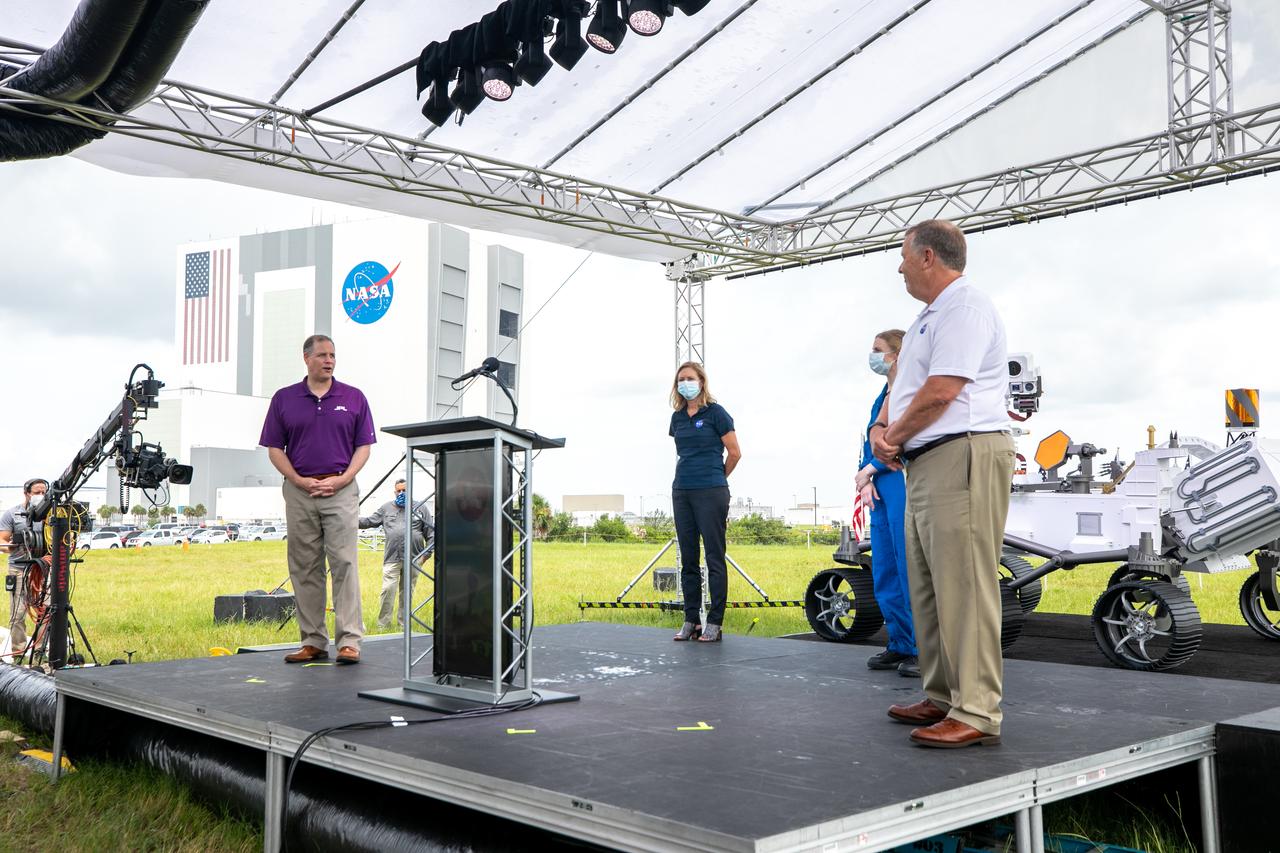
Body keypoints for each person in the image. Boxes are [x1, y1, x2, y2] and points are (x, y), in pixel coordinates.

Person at [871, 219, 1014, 749]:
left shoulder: (965, 307)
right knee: (930, 584)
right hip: (926, 459)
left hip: (963, 452)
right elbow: (904, 389)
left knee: (965, 585)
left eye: (904, 256)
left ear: (928, 256)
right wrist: (881, 429)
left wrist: (893, 436)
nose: (900, 267)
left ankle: (976, 710)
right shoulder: (930, 316)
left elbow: (943, 390)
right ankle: (943, 693)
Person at [260, 334, 375, 665]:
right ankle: (313, 641)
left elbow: (363, 446)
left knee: (345, 565)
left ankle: (349, 641)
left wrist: (343, 478)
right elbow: (274, 448)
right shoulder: (284, 399)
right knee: (305, 568)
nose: (329, 360)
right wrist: (297, 479)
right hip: (299, 492)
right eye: (322, 355)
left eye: (333, 355)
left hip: (340, 491)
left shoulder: (353, 398)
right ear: (306, 357)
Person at [854, 330, 919, 678]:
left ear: (896, 354)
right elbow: (871, 441)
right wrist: (864, 479)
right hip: (880, 488)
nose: (873, 355)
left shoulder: (909, 390)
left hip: (903, 481)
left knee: (911, 568)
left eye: (878, 350)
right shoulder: (884, 394)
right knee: (886, 569)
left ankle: (924, 649)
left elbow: (900, 438)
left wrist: (872, 468)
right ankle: (900, 642)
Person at [669, 361, 741, 643]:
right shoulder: (677, 418)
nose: (685, 383)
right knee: (688, 558)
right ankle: (690, 620)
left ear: (701, 381)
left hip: (711, 490)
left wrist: (716, 478)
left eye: (689, 378)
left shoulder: (717, 413)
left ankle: (715, 622)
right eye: (680, 380)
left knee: (714, 557)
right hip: (682, 490)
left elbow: (734, 453)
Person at [358, 478, 433, 632]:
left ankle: (403, 624)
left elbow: (431, 533)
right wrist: (347, 518)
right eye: (398, 490)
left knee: (407, 592)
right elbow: (369, 521)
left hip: (414, 558)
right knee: (388, 590)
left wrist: (426, 555)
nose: (401, 493)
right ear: (395, 492)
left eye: (404, 490)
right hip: (392, 558)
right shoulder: (386, 508)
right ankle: (383, 624)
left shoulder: (421, 508)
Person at [0, 478, 48, 658]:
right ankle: (18, 653)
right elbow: (2, 540)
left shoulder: (49, 515)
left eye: (43, 492)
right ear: (27, 493)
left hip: (41, 570)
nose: (40, 496)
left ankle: (39, 654)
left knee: (45, 613)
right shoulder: (12, 514)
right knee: (18, 615)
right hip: (18, 570)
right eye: (37, 492)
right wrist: (9, 547)